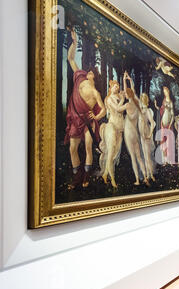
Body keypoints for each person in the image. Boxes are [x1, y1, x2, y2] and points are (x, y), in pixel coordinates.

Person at [64, 29, 106, 189]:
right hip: (76, 119)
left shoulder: (95, 93)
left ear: (94, 76)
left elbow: (103, 110)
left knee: (88, 147)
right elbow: (70, 58)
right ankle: (76, 177)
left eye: (92, 72)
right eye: (88, 71)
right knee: (72, 148)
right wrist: (74, 43)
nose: (88, 72)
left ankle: (86, 176)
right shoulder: (79, 76)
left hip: (88, 122)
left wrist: (96, 118)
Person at [122, 72, 149, 186]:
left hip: (129, 133)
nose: (123, 93)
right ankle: (146, 177)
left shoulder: (127, 105)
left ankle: (137, 179)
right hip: (136, 134)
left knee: (133, 157)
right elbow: (131, 90)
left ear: (127, 95)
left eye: (125, 94)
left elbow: (118, 108)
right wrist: (128, 80)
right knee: (139, 157)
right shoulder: (136, 103)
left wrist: (120, 99)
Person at [99, 80, 126, 188]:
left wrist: (124, 80)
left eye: (117, 86)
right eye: (114, 86)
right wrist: (125, 102)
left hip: (120, 128)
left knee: (115, 153)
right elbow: (118, 109)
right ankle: (112, 179)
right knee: (110, 153)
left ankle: (105, 174)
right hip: (112, 127)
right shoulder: (109, 99)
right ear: (110, 88)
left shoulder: (119, 96)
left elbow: (125, 91)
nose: (117, 87)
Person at [138, 93, 156, 183]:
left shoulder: (147, 110)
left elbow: (153, 123)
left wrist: (149, 134)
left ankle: (150, 175)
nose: (141, 101)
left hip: (146, 134)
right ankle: (148, 175)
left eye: (142, 100)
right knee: (145, 156)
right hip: (142, 135)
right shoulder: (141, 110)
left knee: (147, 156)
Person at [154, 86, 174, 165]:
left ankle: (170, 160)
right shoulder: (164, 101)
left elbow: (172, 115)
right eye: (164, 92)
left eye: (165, 91)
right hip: (163, 124)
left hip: (169, 125)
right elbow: (161, 110)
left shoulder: (171, 102)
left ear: (168, 91)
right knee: (163, 142)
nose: (165, 93)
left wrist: (170, 125)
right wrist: (156, 106)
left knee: (169, 143)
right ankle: (165, 160)